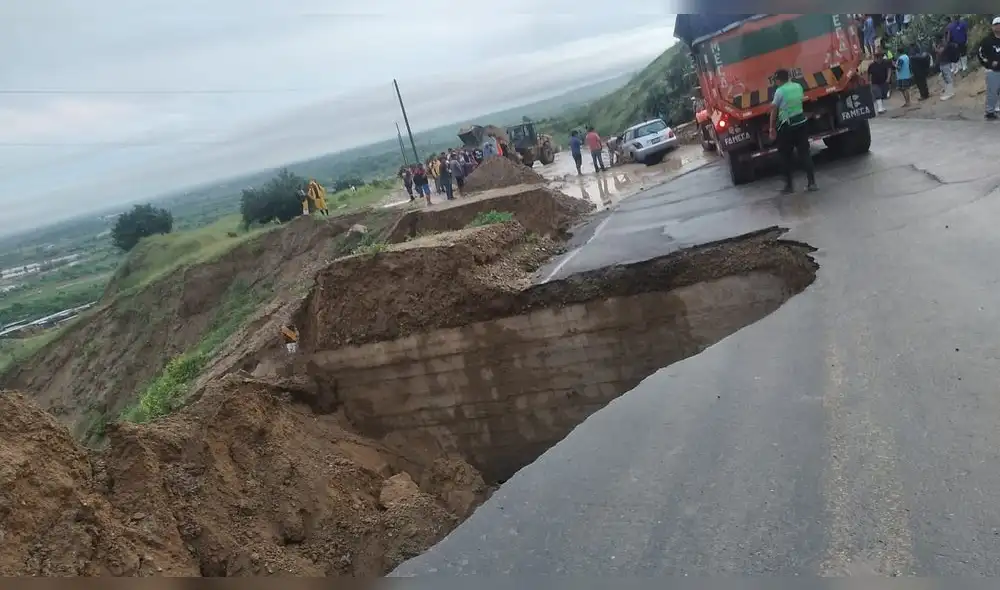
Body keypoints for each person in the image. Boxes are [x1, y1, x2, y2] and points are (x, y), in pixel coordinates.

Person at [768, 68, 817, 193]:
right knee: (805, 154)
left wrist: (772, 128)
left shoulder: (780, 91)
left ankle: (789, 186)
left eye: (776, 80)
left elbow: (774, 110)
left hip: (786, 127)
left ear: (779, 80)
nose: (775, 82)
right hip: (801, 123)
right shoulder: (798, 86)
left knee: (785, 157)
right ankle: (812, 183)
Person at [979, 17, 1000, 120]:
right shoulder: (987, 40)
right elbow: (980, 54)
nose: (998, 26)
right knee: (992, 91)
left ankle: (997, 108)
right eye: (996, 24)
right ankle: (990, 111)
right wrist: (989, 64)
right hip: (992, 71)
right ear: (992, 27)